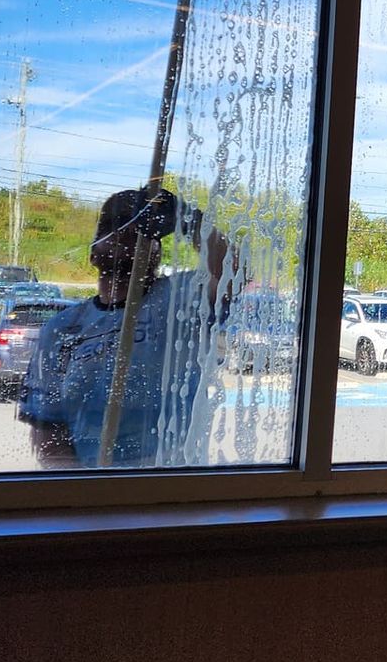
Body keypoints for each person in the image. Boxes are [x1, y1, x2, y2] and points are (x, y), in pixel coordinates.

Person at [19, 186, 234, 469]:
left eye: (143, 229)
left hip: (174, 492)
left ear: (156, 252)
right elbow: (48, 428)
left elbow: (234, 270)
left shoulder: (180, 302)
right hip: (96, 495)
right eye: (112, 224)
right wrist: (81, 494)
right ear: (92, 253)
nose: (126, 232)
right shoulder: (62, 329)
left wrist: (186, 218)